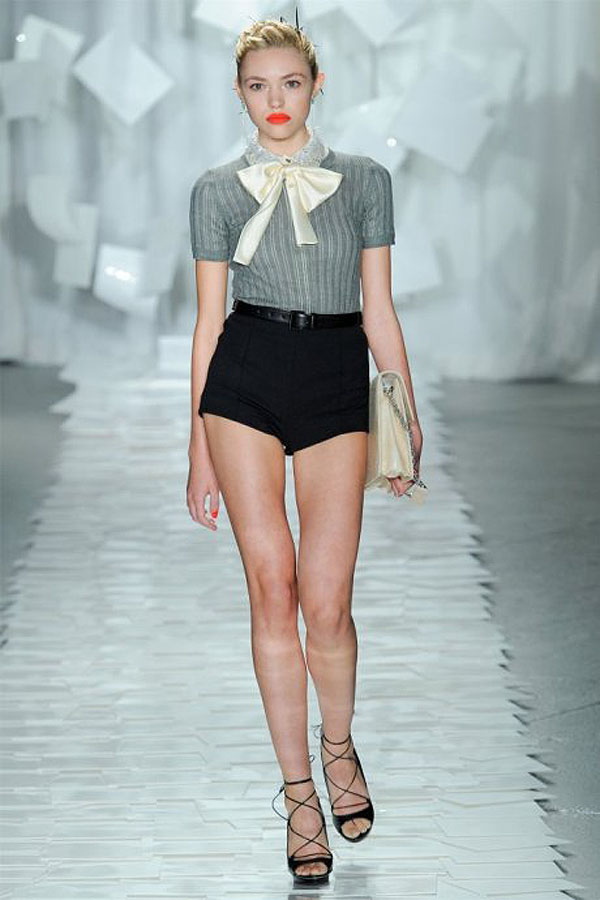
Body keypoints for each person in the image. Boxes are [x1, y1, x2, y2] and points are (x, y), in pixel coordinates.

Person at [186, 14, 423, 888]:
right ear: (239, 93)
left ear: (316, 85)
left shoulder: (364, 180)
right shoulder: (216, 190)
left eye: (290, 83)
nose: (275, 100)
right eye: (258, 86)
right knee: (272, 588)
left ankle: (339, 746)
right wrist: (197, 448)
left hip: (332, 380)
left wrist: (400, 408)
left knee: (327, 602)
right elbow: (208, 322)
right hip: (243, 381)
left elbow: (379, 307)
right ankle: (297, 797)